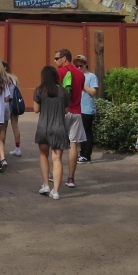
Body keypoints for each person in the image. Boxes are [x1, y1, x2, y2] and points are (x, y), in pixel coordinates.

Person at [34, 65, 70, 200]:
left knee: (43, 155)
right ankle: (55, 191)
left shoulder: (39, 90)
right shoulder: (63, 91)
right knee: (57, 159)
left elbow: (36, 109)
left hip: (43, 127)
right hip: (59, 128)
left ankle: (45, 184)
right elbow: (66, 110)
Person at [55, 48, 86, 189]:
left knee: (59, 143)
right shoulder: (81, 74)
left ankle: (56, 173)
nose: (55, 61)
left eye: (57, 58)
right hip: (77, 111)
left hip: (63, 111)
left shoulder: (59, 72)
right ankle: (71, 178)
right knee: (74, 144)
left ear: (64, 58)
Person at [75, 55, 98, 162]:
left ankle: (86, 155)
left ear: (86, 65)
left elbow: (93, 92)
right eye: (77, 66)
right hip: (78, 108)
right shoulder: (76, 76)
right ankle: (82, 153)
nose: (79, 68)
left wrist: (82, 84)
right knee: (80, 133)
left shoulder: (91, 77)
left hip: (87, 109)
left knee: (87, 132)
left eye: (81, 65)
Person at [3, 62, 23, 156]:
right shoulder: (14, 77)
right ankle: (18, 148)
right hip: (15, 103)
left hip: (7, 103)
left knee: (4, 127)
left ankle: (0, 148)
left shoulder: (5, 77)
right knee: (15, 126)